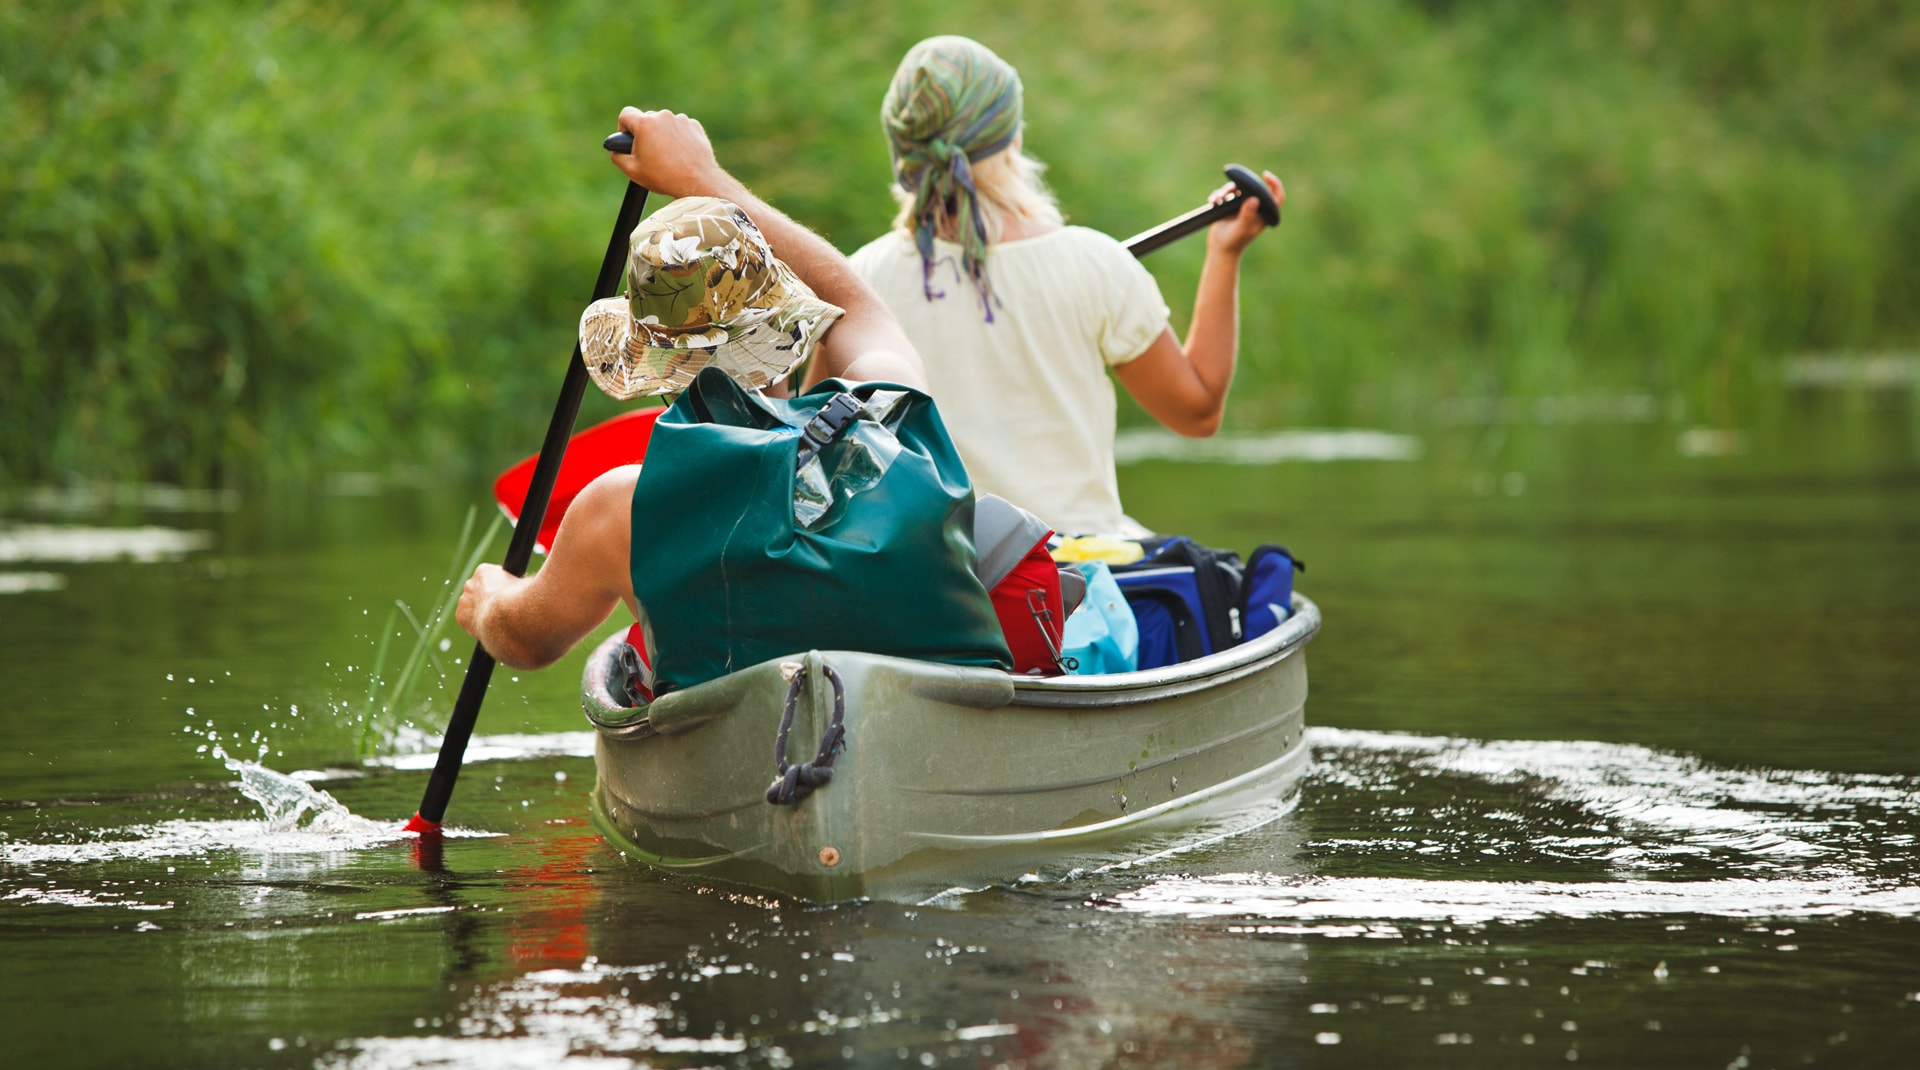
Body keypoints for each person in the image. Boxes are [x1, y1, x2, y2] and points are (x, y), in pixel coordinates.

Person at [457, 107, 926, 671]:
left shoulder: (623, 506)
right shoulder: (883, 402)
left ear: (655, 370)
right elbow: (855, 305)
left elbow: (526, 641)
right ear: (790, 326)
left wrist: (491, 602)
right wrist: (700, 177)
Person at [842, 35, 1285, 538]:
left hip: (935, 579)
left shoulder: (861, 278)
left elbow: (822, 437)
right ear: (1010, 137)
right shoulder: (1093, 263)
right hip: (1076, 582)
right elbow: (1198, 411)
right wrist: (1224, 253)